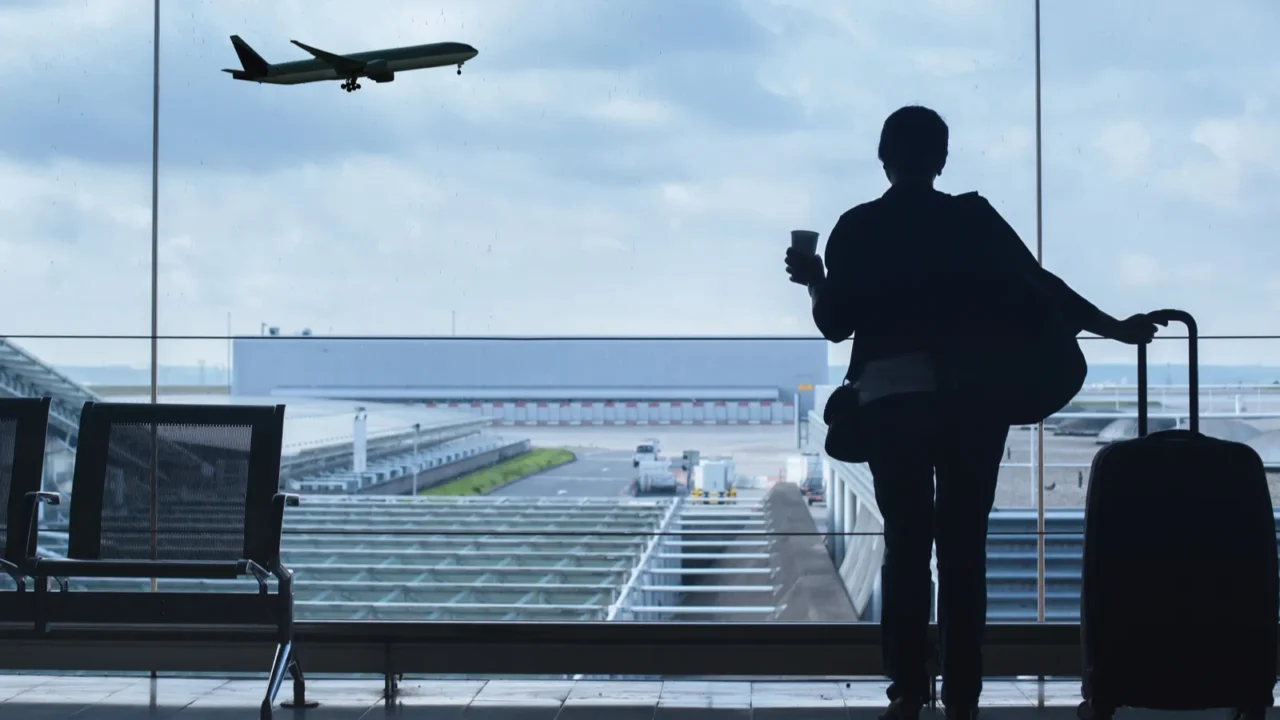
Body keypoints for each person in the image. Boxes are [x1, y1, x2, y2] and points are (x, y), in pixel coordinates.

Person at [784, 105, 1155, 720]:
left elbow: (834, 322)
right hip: (973, 403)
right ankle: (963, 696)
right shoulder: (972, 220)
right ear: (942, 159)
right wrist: (1114, 328)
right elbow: (1041, 288)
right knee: (964, 550)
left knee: (906, 545)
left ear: (884, 156)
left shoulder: (859, 226)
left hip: (891, 402)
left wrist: (816, 279)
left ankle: (906, 690)